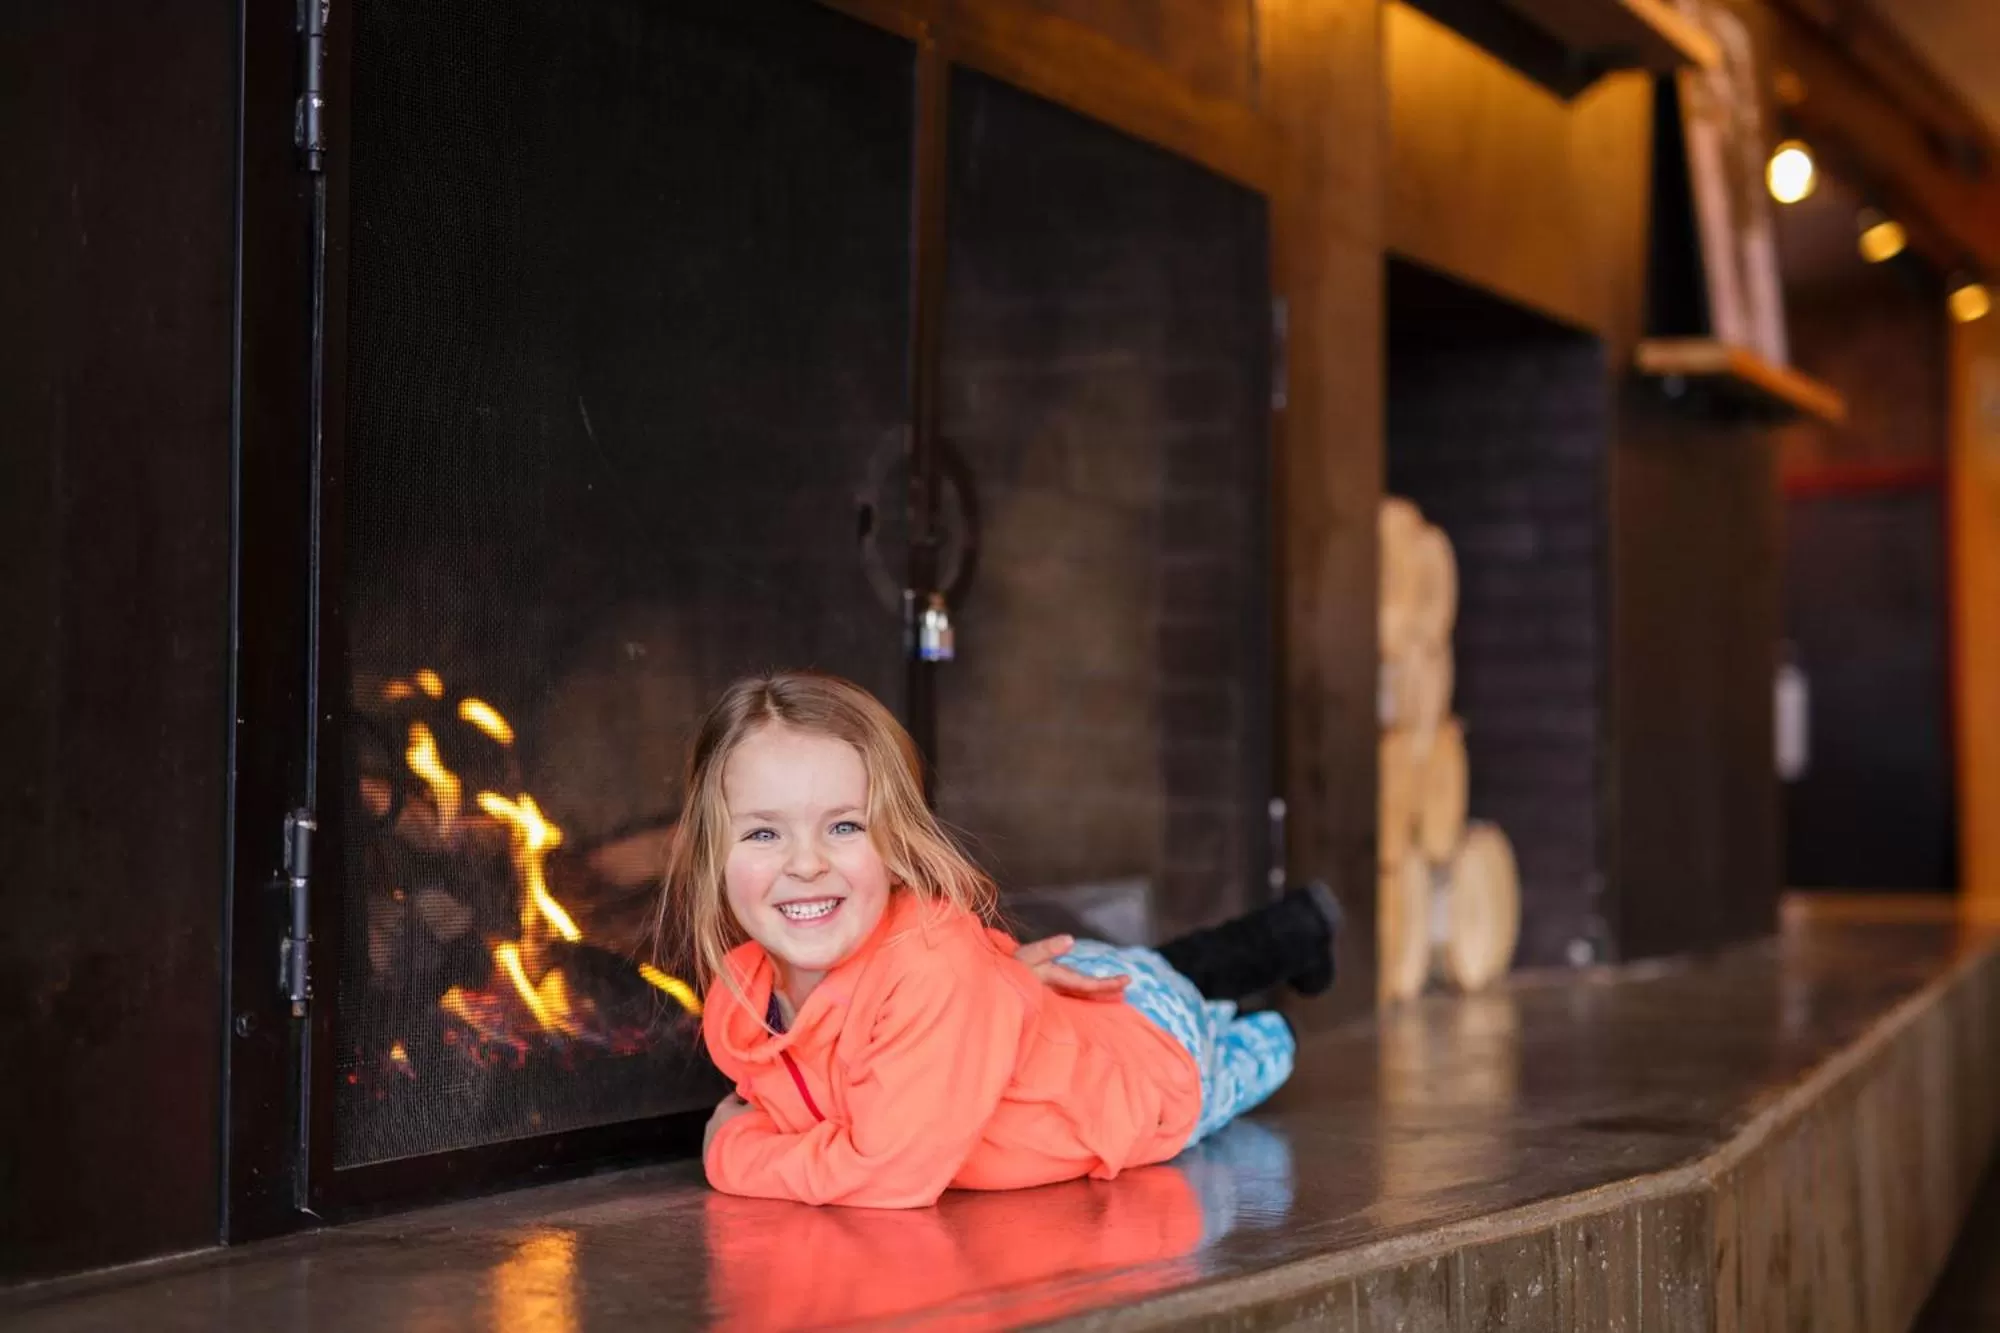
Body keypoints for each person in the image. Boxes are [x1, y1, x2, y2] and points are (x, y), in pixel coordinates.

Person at [654, 671, 1340, 1208]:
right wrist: (997, 983)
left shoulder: (932, 967)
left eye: (843, 826)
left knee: (1234, 1038)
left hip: (1144, 1061)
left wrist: (732, 1152)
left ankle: (1290, 984)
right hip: (1049, 999)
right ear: (715, 855)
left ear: (896, 847)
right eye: (764, 832)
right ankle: (1298, 929)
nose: (805, 863)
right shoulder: (745, 990)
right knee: (1155, 968)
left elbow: (892, 1173)